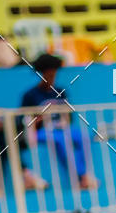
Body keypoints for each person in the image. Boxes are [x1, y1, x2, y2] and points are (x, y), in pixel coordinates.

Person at [21, 54, 98, 191]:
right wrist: (40, 118)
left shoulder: (61, 91)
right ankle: (82, 177)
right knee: (61, 140)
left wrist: (64, 121)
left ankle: (84, 174)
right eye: (48, 75)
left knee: (83, 136)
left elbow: (69, 116)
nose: (51, 79)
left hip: (62, 128)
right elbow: (23, 120)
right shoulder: (30, 95)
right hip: (42, 131)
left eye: (53, 75)